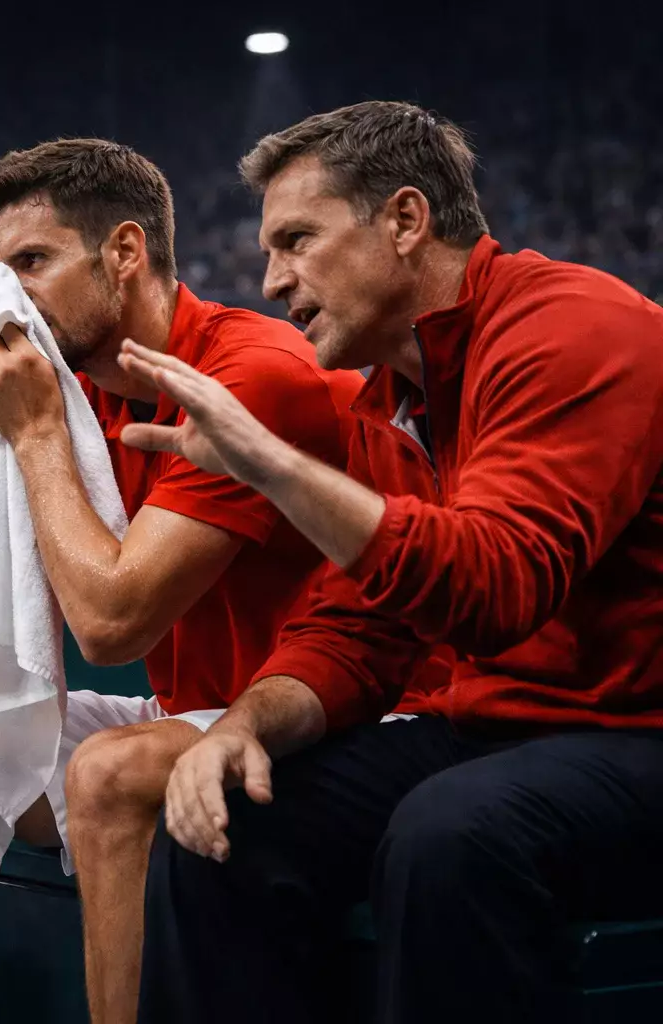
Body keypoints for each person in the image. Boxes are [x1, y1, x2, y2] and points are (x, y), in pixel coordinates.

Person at [119, 101, 663, 1024]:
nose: (272, 278)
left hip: (638, 734)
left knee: (452, 835)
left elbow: (496, 590)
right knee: (228, 826)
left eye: (296, 240)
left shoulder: (573, 328)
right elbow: (357, 627)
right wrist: (244, 726)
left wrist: (272, 464)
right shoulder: (393, 396)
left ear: (406, 222)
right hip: (507, 730)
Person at [0, 138, 370, 1024]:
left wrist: (36, 435)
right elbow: (12, 582)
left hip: (329, 715)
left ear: (123, 253)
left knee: (110, 773)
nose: (3, 301)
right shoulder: (91, 396)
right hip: (190, 711)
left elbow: (115, 626)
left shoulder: (249, 377)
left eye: (31, 264)